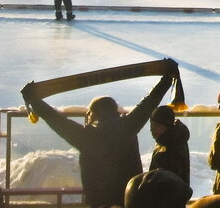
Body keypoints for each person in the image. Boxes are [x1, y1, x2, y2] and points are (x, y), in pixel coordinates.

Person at [20, 62, 178, 208]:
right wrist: (167, 78)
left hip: (99, 201)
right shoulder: (128, 126)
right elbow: (150, 102)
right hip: (129, 198)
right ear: (114, 111)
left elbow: (56, 119)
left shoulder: (85, 136)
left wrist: (34, 99)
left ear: (92, 114)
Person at [149, 105, 191, 186]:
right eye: (151, 125)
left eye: (155, 126)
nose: (151, 129)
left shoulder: (171, 147)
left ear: (165, 126)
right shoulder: (171, 139)